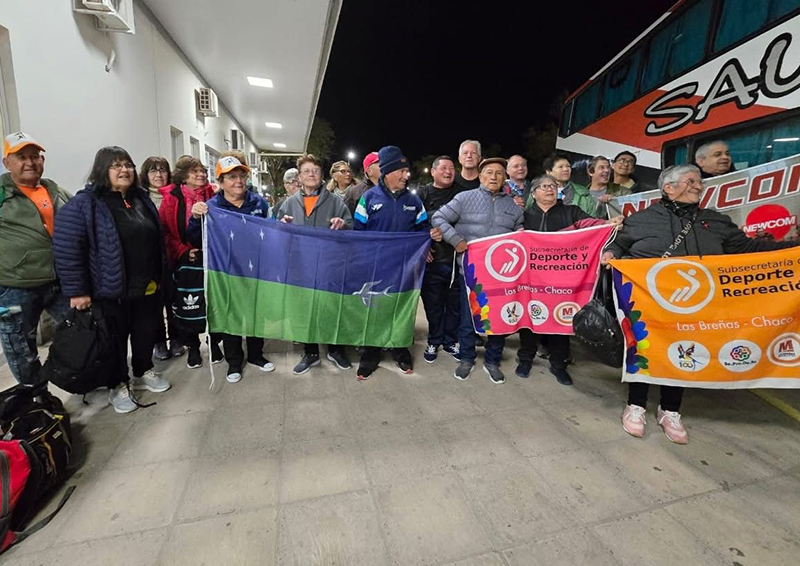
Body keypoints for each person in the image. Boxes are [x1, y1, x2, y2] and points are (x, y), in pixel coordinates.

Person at [602, 164, 800, 444]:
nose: (698, 186)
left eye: (699, 182)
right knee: (645, 350)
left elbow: (747, 249)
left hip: (699, 306)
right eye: (690, 181)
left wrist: (792, 249)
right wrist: (610, 252)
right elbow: (620, 244)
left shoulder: (716, 221)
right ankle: (635, 405)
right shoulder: (642, 219)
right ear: (668, 188)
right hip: (649, 302)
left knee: (686, 353)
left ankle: (670, 410)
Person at [54, 147, 170, 414]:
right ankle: (117, 384)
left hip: (147, 285)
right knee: (113, 341)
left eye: (128, 164)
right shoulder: (86, 203)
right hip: (109, 290)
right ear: (101, 171)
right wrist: (78, 291)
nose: (124, 170)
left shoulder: (141, 199)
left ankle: (144, 369)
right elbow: (68, 249)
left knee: (144, 332)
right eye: (116, 165)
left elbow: (157, 241)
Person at [518, 174, 621, 385]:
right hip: (531, 278)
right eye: (544, 186)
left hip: (562, 279)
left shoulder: (571, 212)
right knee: (528, 319)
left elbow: (594, 226)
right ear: (534, 193)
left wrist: (610, 223)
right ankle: (525, 359)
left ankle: (559, 365)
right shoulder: (524, 216)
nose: (550, 189)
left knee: (560, 321)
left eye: (553, 186)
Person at [432, 158, 524, 384]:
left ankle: (492, 360)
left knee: (498, 322)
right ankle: (466, 358)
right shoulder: (464, 198)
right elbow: (439, 217)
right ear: (481, 176)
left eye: (499, 173)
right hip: (471, 274)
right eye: (489, 172)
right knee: (467, 320)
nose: (494, 177)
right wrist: (455, 240)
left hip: (502, 277)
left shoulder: (513, 207)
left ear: (505, 178)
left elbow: (521, 236)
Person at [187, 156, 275, 383]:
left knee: (257, 314)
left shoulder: (259, 204)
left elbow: (272, 232)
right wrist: (196, 218)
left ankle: (256, 355)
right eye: (232, 177)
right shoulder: (211, 207)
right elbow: (196, 238)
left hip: (256, 271)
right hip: (226, 273)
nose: (238, 181)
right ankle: (234, 362)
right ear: (221, 181)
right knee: (230, 316)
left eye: (241, 176)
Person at [0, 133, 72, 387]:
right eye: (21, 157)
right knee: (21, 346)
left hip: (60, 280)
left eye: (34, 156)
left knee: (80, 329)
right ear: (7, 162)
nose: (30, 162)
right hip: (16, 285)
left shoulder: (55, 190)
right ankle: (36, 396)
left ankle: (77, 376)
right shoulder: (2, 194)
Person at [354, 145, 430, 380]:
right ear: (387, 172)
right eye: (401, 171)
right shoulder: (368, 198)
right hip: (375, 267)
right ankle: (371, 353)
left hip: (405, 269)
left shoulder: (414, 201)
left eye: (406, 171)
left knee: (401, 309)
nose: (406, 176)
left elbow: (423, 229)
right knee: (374, 309)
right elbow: (358, 232)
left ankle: (400, 348)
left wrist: (428, 244)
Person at [278, 154, 354, 374]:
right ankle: (310, 352)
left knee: (331, 308)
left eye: (316, 170)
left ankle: (335, 349)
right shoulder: (289, 204)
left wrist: (343, 224)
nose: (311, 174)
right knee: (304, 310)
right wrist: (282, 225)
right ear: (299, 177)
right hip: (300, 267)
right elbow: (277, 230)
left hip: (328, 267)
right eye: (306, 171)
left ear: (322, 175)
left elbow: (350, 226)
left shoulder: (334, 201)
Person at [159, 155, 221, 369]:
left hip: (212, 258)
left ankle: (214, 342)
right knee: (189, 303)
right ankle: (193, 347)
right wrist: (184, 251)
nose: (201, 174)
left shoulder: (214, 195)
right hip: (184, 260)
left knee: (214, 303)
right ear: (183, 177)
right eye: (195, 171)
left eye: (203, 170)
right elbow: (165, 232)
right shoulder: (171, 200)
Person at [416, 156, 461, 363]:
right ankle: (434, 339)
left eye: (451, 168)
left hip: (456, 260)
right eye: (443, 168)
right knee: (433, 304)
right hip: (431, 260)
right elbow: (413, 223)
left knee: (454, 304)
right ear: (432, 171)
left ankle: (450, 340)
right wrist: (425, 238)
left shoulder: (462, 193)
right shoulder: (421, 194)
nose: (448, 171)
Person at [140, 156, 183, 362]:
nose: (158, 175)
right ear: (145, 175)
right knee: (154, 304)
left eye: (162, 170)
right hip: (149, 259)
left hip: (173, 256)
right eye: (153, 171)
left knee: (173, 300)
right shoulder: (139, 198)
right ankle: (159, 342)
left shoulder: (176, 195)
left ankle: (176, 338)